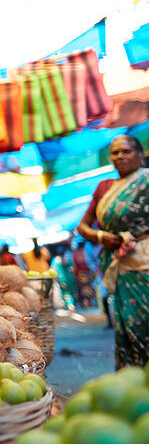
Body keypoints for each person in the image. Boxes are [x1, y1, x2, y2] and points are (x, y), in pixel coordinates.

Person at [76, 134, 149, 366]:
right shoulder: (104, 187)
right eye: (115, 152)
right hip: (118, 266)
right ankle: (134, 380)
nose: (120, 156)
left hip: (144, 261)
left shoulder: (146, 180)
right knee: (128, 324)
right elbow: (82, 226)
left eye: (126, 151)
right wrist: (99, 236)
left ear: (139, 154)